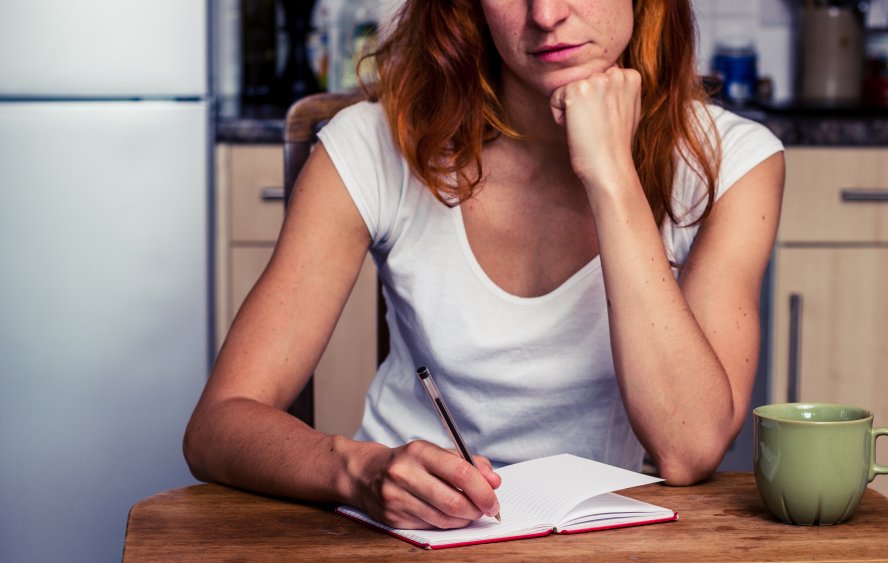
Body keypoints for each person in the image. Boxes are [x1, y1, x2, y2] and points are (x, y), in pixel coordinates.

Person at [184, 0, 784, 531]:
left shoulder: (729, 160)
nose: (546, 14)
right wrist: (362, 472)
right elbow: (218, 425)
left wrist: (611, 175)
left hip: (592, 537)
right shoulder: (374, 143)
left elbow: (689, 448)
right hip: (396, 537)